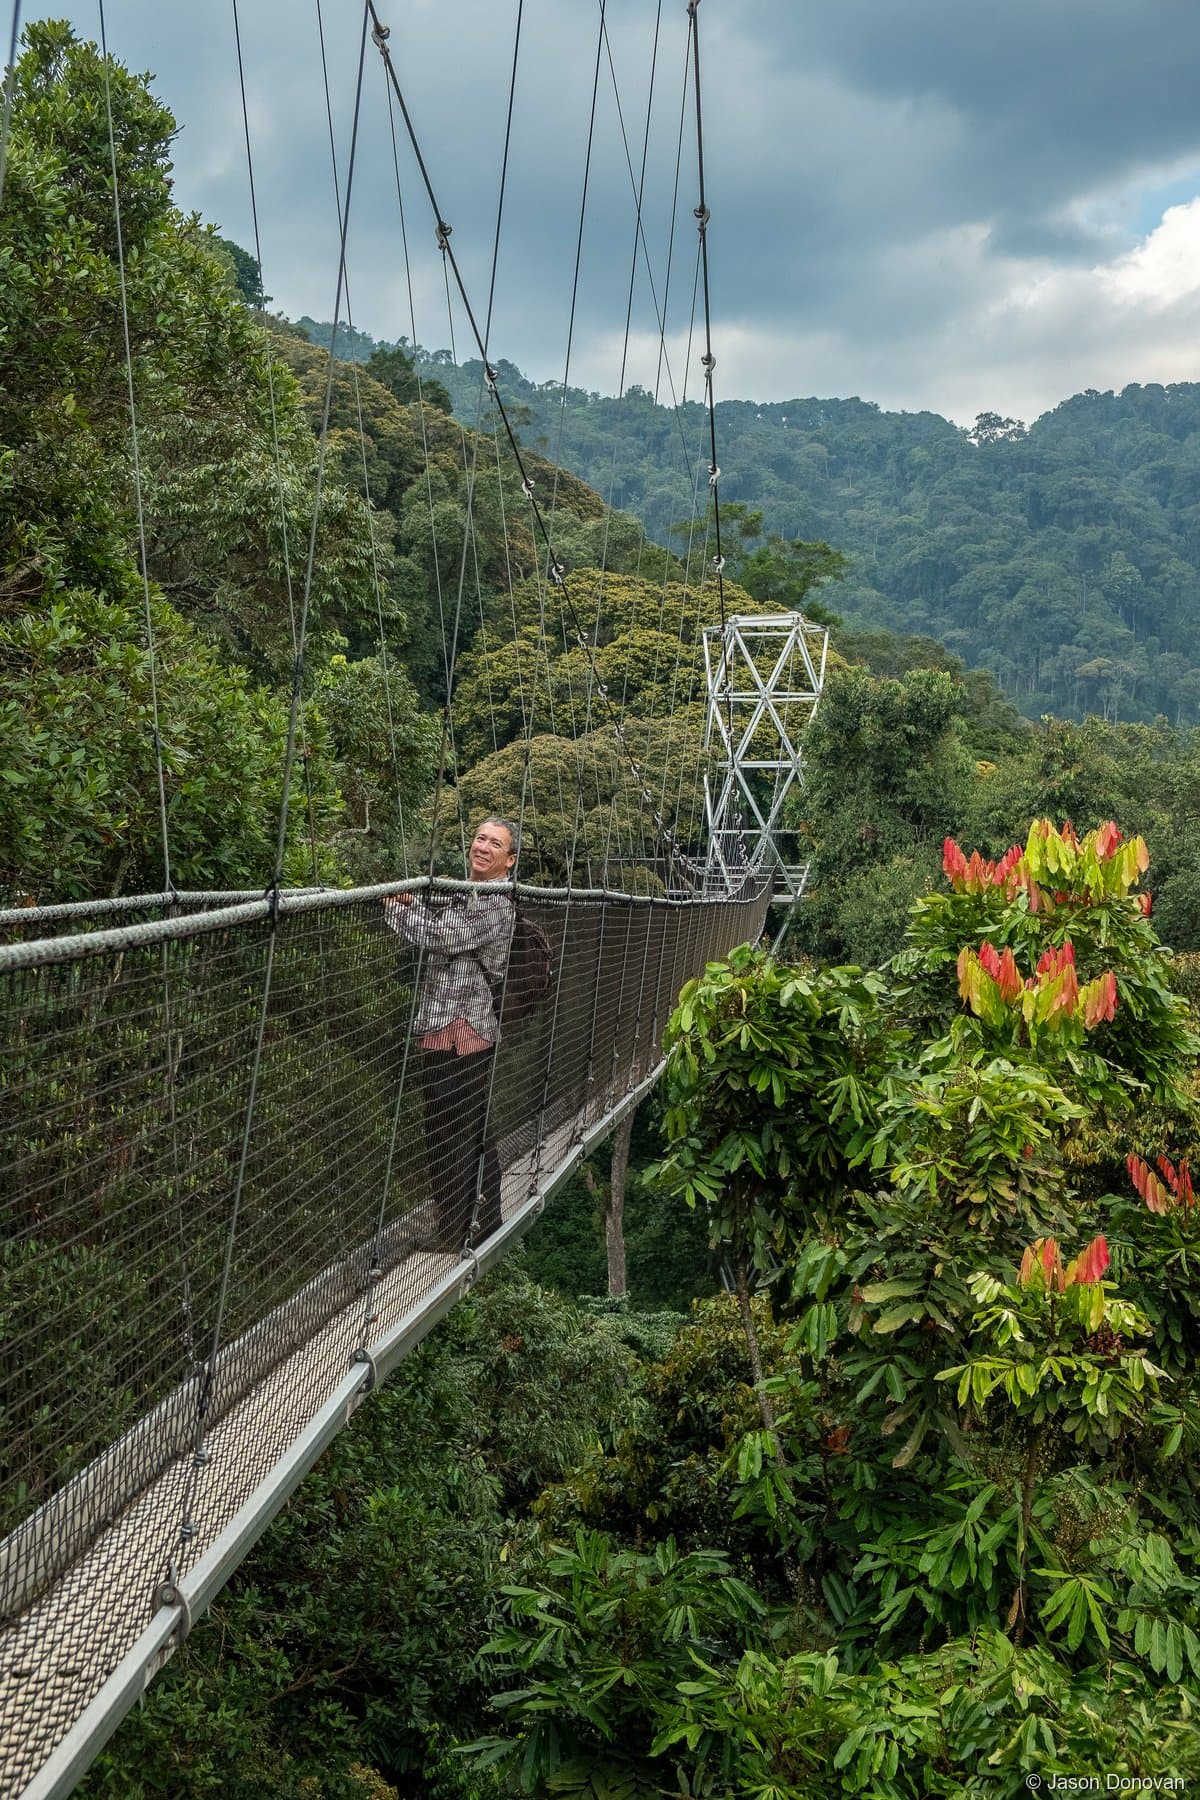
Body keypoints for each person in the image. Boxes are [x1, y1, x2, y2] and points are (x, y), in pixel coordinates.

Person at [383, 819, 517, 1253]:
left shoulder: (496, 901)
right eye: (480, 838)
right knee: (456, 1129)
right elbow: (445, 930)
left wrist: (395, 910)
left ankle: (461, 1230)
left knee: (453, 1131)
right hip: (447, 1027)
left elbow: (441, 936)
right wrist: (410, 905)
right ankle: (472, 1223)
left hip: (462, 1029)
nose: (483, 847)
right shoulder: (473, 893)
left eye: (495, 844)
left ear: (509, 860)